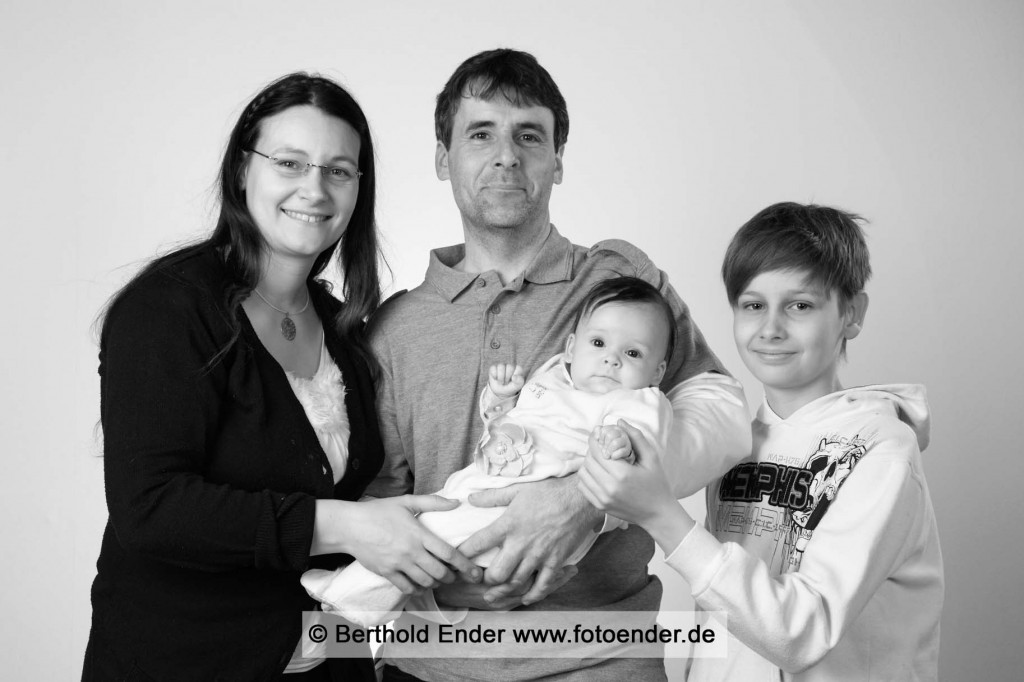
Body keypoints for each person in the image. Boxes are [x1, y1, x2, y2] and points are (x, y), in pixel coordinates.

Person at [366, 48, 752, 682]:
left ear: (558, 159)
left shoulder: (620, 280)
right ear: (443, 157)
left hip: (602, 659)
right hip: (433, 666)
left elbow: (722, 414)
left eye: (529, 136)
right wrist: (438, 593)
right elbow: (379, 511)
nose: (506, 156)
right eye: (480, 133)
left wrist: (588, 496)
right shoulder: (394, 329)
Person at [82, 72, 477, 682]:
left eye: (338, 170)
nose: (314, 189)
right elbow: (150, 509)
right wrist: (342, 524)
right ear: (244, 170)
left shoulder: (344, 330)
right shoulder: (167, 310)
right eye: (290, 163)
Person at [579, 202, 944, 681]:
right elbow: (720, 620)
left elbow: (799, 634)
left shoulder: (883, 454)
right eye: (753, 305)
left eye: (800, 305)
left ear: (851, 314)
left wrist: (661, 516)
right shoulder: (737, 447)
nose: (771, 329)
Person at [303, 277, 676, 626]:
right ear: (570, 348)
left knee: (431, 535)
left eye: (632, 353)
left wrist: (618, 448)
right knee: (417, 526)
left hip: (526, 517)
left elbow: (644, 453)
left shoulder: (638, 402)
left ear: (657, 372)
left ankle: (352, 595)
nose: (612, 360)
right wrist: (500, 400)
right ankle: (368, 592)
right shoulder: (554, 378)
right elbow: (510, 428)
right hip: (482, 483)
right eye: (599, 344)